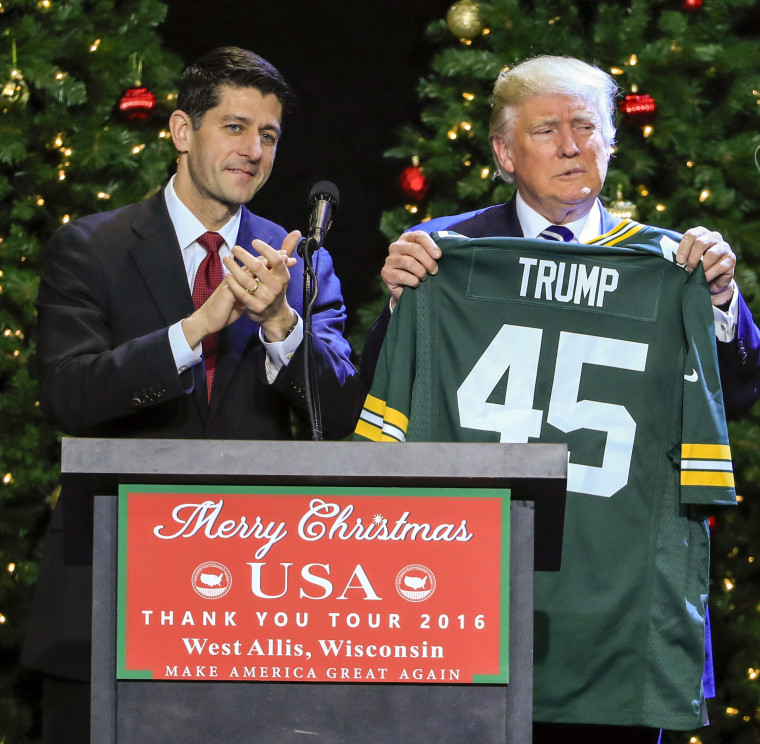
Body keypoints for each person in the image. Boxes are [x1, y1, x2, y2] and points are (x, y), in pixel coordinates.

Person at [359, 56, 760, 743]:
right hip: (463, 602)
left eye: (587, 126)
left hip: (617, 609)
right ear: (504, 152)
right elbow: (372, 401)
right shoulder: (444, 256)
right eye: (547, 129)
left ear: (611, 140)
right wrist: (402, 305)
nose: (571, 146)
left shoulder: (673, 265)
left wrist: (720, 302)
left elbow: (742, 394)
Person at [23, 46, 365, 743]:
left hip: (253, 606)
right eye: (235, 127)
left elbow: (344, 415)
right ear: (182, 131)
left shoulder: (299, 264)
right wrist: (194, 329)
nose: (254, 151)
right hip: (109, 596)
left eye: (268, 135)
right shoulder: (90, 247)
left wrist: (279, 324)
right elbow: (70, 394)